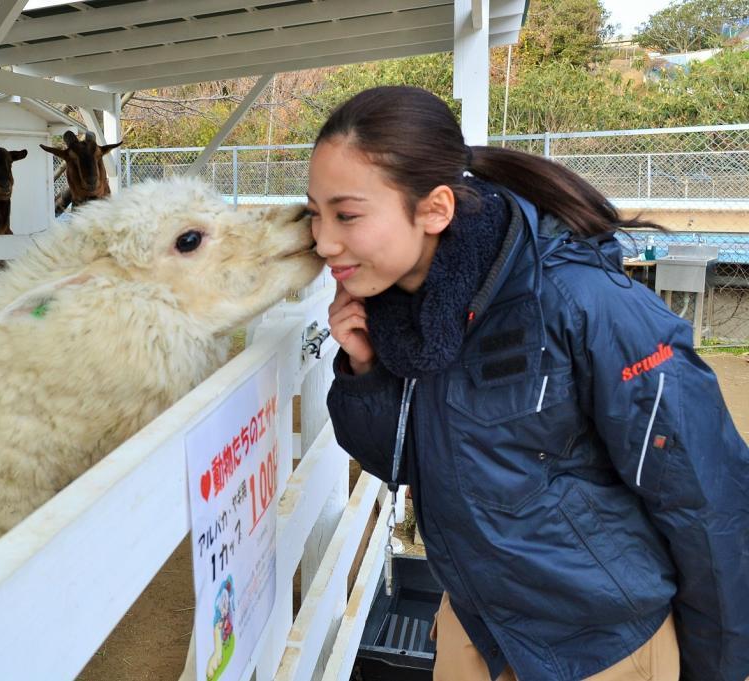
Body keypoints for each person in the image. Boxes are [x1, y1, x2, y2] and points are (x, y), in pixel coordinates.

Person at [307, 86, 749, 681]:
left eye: (347, 215)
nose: (324, 242)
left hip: (598, 649)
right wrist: (363, 367)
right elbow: (407, 463)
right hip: (475, 627)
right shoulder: (405, 313)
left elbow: (705, 495)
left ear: (435, 209)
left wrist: (722, 665)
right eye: (315, 213)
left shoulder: (580, 302)